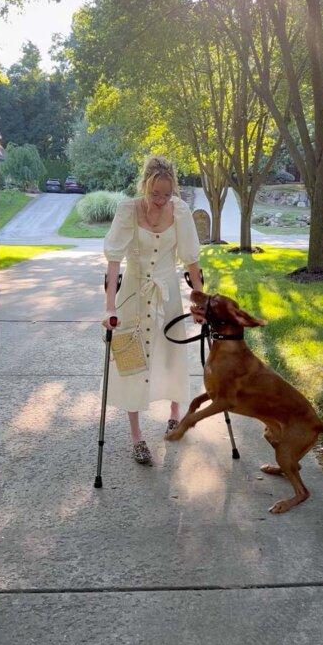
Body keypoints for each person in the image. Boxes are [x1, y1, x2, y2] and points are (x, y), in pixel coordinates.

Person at [101, 155, 203, 465]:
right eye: (155, 194)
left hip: (167, 295)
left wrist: (199, 301)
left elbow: (191, 260)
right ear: (144, 186)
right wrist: (109, 309)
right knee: (132, 362)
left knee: (171, 355)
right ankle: (137, 437)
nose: (160, 201)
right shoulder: (128, 210)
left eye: (166, 194)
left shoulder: (181, 212)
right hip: (132, 295)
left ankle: (174, 414)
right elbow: (114, 263)